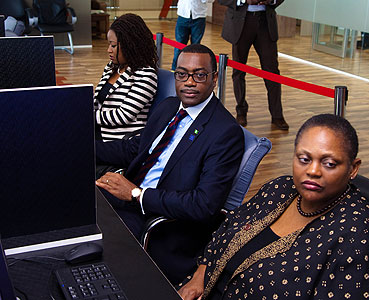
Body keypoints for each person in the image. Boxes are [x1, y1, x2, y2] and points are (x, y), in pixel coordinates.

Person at [178, 114, 369, 299]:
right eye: (304, 159)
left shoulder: (360, 239)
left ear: (353, 168)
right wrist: (199, 278)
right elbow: (227, 230)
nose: (313, 171)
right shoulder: (280, 188)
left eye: (329, 163)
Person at [95, 44, 244, 285]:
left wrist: (137, 194)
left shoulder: (225, 133)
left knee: (99, 242)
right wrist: (86, 148)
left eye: (200, 75)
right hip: (130, 195)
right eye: (182, 74)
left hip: (158, 220)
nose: (189, 82)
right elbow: (135, 148)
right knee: (80, 207)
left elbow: (204, 204)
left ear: (214, 78)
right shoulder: (169, 107)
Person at [218, 0, 288, 130]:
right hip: (241, 23)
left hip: (266, 22)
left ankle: (277, 115)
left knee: (272, 72)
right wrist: (244, 0)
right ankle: (241, 111)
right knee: (238, 71)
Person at [94, 13, 158, 141]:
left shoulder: (146, 75)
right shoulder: (112, 68)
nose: (109, 50)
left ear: (130, 45)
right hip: (100, 132)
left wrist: (86, 117)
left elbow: (123, 116)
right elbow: (99, 102)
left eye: (113, 45)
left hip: (123, 141)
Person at [171, 0, 213, 71]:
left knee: (196, 46)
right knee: (179, 45)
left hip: (199, 17)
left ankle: (194, 68)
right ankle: (174, 69)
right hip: (183, 15)